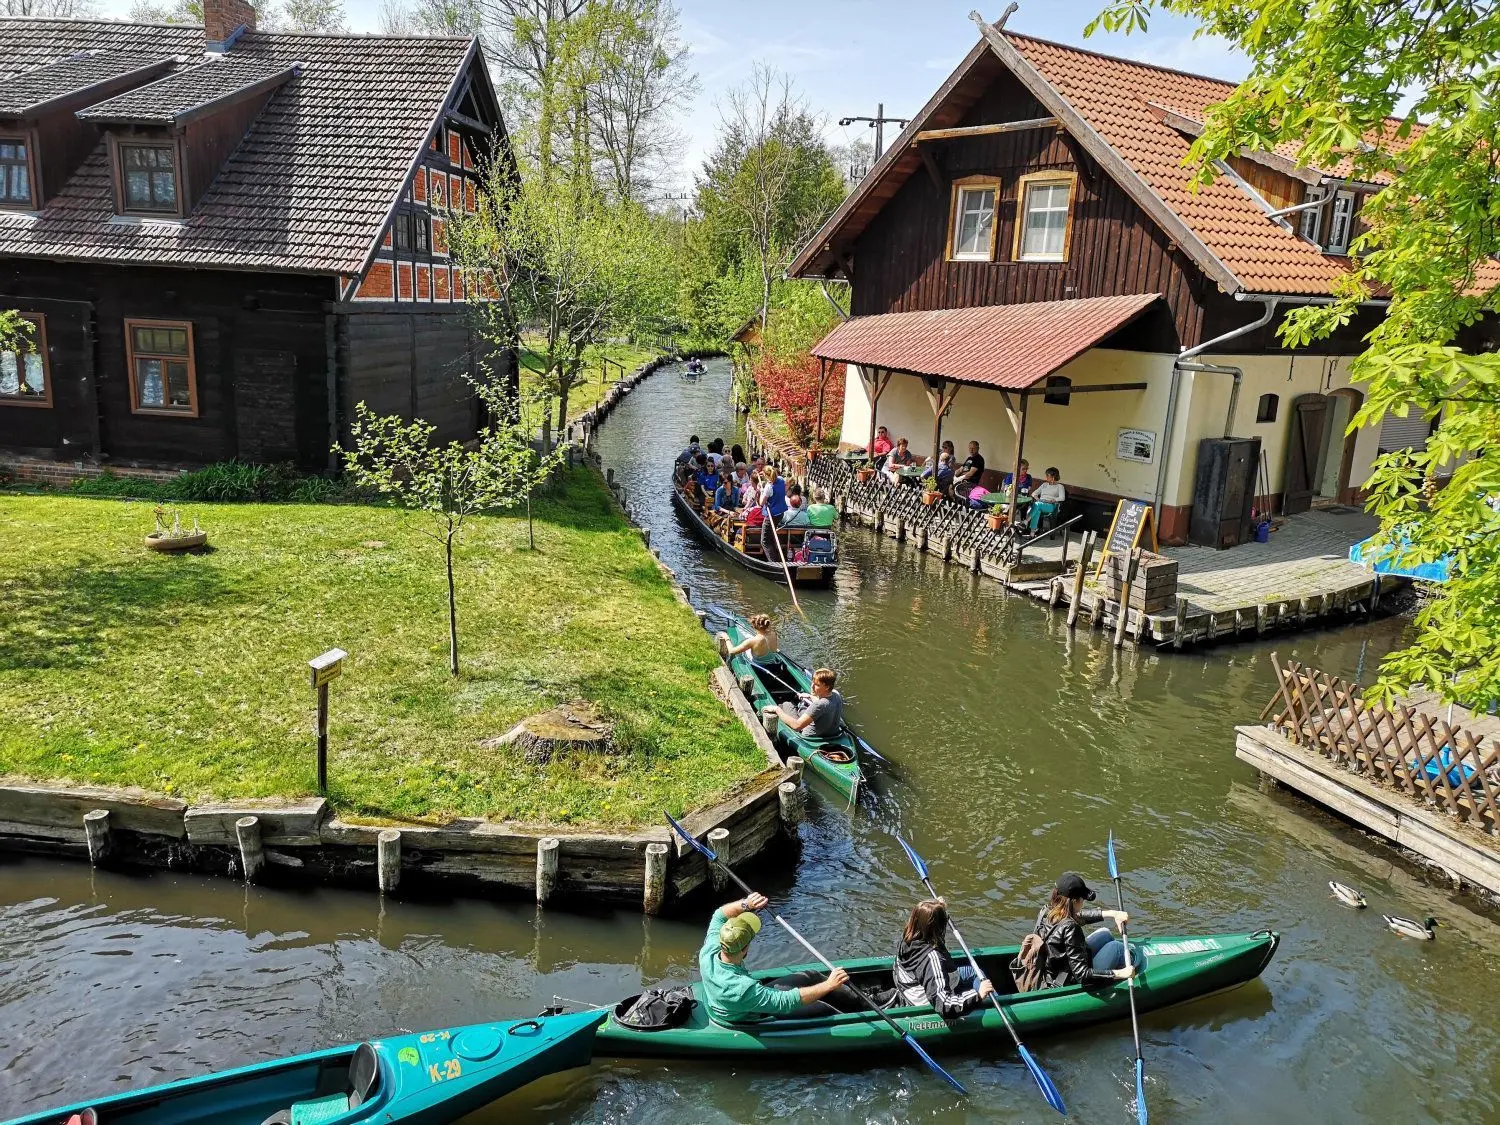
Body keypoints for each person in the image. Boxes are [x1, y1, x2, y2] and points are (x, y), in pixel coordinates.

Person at [700, 892, 852, 1023]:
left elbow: (719, 915)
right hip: (750, 1013)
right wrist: (829, 985)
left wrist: (746, 904)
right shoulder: (742, 988)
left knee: (811, 976)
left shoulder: (710, 950)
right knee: (825, 1010)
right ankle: (859, 1018)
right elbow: (785, 1002)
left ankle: (863, 1000)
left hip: (741, 999)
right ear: (745, 948)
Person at [1031, 873, 1138, 989]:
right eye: (1082, 898)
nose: (1083, 901)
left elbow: (1078, 916)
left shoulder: (1047, 911)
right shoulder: (1070, 927)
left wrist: (1113, 913)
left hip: (1055, 969)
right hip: (1067, 979)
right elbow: (1082, 975)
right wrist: (1120, 973)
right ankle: (1132, 969)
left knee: (1105, 933)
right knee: (1116, 947)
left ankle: (1120, 961)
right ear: (1074, 901)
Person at [893, 898, 994, 1018]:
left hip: (908, 988)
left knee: (973, 972)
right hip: (925, 999)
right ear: (938, 927)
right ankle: (996, 1010)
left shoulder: (908, 933)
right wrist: (978, 995)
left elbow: (926, 916)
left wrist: (936, 906)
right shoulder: (932, 958)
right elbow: (944, 1005)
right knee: (981, 980)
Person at [779, 667, 843, 739]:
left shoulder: (819, 705)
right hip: (831, 733)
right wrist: (810, 696)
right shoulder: (836, 694)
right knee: (803, 708)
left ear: (827, 687)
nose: (812, 686)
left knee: (786, 705)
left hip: (810, 735)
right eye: (813, 682)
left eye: (817, 685)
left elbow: (797, 726)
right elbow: (825, 705)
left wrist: (777, 711)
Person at [1030, 467, 1066, 531]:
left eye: (1047, 475)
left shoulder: (1060, 486)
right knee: (1037, 511)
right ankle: (1033, 533)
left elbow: (1062, 498)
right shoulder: (1044, 485)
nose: (1046, 477)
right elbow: (1034, 493)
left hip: (1050, 506)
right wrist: (1037, 499)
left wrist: (1052, 500)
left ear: (1053, 477)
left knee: (1036, 505)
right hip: (1040, 503)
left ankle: (1025, 521)